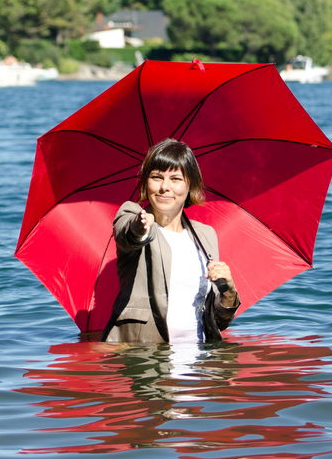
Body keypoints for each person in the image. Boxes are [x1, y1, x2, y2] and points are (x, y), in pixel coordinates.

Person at [102, 138, 240, 343]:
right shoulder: (131, 214)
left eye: (175, 179)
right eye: (157, 177)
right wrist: (139, 227)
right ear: (146, 182)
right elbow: (127, 235)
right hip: (145, 355)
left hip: (197, 360)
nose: (164, 187)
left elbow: (220, 322)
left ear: (189, 184)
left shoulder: (205, 235)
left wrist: (228, 290)